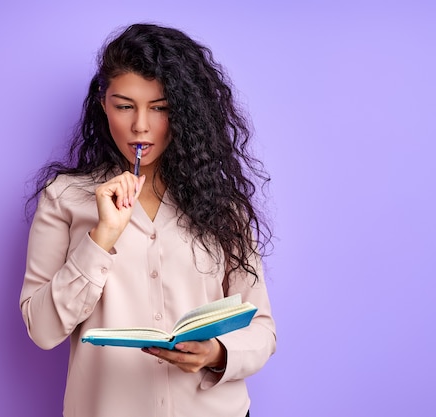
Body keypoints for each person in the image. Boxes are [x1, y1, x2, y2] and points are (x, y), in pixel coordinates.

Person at [20, 23, 276, 417]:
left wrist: (216, 353)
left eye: (160, 108)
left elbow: (261, 328)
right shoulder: (65, 198)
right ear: (103, 105)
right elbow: (42, 328)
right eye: (125, 106)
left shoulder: (223, 205)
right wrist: (102, 237)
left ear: (185, 112)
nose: (140, 125)